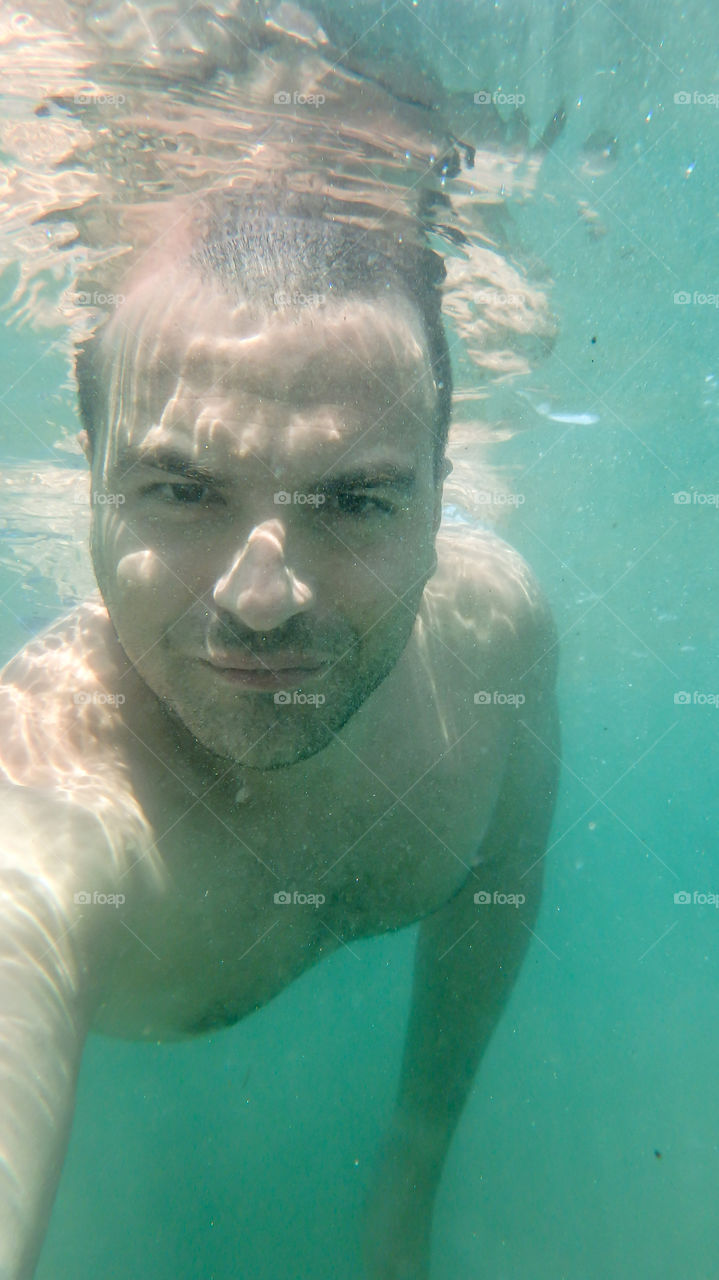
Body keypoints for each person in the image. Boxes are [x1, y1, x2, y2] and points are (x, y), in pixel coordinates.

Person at [0, 202, 559, 1279]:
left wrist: (413, 1161)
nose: (259, 600)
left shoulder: (496, 637)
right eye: (179, 489)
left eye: (354, 499)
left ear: (443, 492)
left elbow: (504, 869)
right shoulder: (44, 801)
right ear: (91, 479)